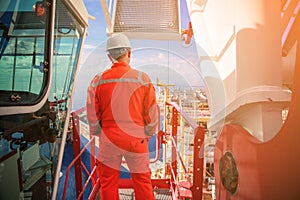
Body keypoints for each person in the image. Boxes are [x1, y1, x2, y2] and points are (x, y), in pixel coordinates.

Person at [86, 33, 158, 200]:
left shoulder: (98, 80)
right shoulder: (142, 78)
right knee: (142, 181)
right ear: (129, 53)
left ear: (109, 56)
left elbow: (92, 115)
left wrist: (98, 132)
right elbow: (151, 112)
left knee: (108, 182)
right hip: (136, 139)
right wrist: (148, 132)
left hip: (109, 139)